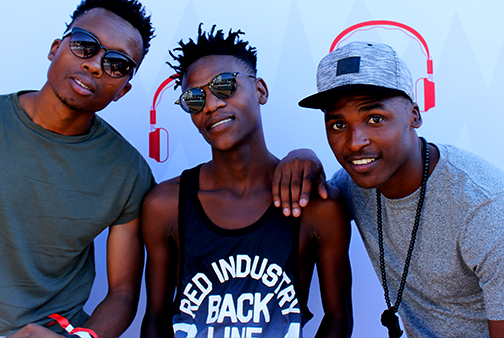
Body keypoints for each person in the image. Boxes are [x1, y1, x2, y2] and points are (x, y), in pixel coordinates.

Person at [274, 41, 504, 338]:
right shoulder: (354, 184)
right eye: (338, 125)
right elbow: (317, 204)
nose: (355, 142)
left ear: (414, 116)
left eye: (375, 119)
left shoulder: (484, 209)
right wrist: (302, 156)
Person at [141, 25, 353, 338]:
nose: (211, 105)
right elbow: (155, 319)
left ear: (260, 90)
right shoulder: (165, 204)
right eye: (195, 98)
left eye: (224, 85)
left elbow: (338, 318)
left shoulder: (317, 204)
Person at [0, 0, 155, 338]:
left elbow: (123, 293)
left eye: (117, 64)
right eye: (85, 45)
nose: (95, 65)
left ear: (123, 90)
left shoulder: (127, 171)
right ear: (56, 47)